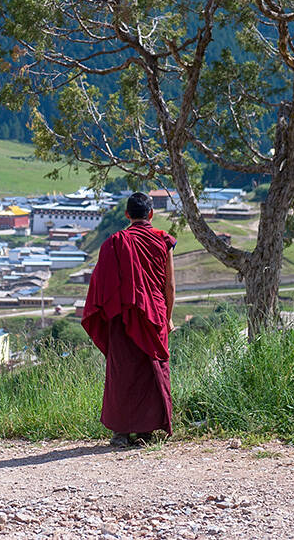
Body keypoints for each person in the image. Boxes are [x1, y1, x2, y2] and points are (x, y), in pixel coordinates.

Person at [81, 191, 176, 447]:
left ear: (126, 215)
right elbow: (169, 287)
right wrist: (167, 318)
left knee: (122, 372)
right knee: (149, 369)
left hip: (121, 315)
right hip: (154, 313)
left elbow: (100, 284)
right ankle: (145, 432)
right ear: (152, 214)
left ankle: (120, 433)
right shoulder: (162, 241)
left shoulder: (114, 243)